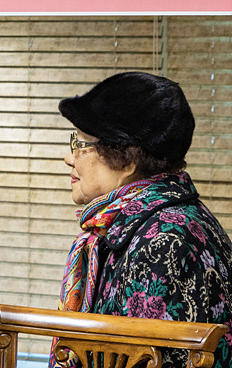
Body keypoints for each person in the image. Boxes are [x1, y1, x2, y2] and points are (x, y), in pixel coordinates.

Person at [56, 71, 232, 367]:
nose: (69, 158)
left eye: (81, 144)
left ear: (125, 160)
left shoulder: (165, 242)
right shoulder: (148, 223)